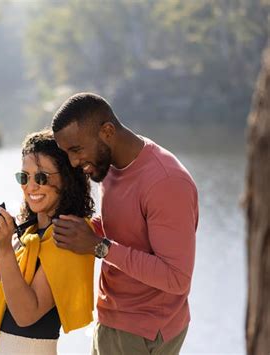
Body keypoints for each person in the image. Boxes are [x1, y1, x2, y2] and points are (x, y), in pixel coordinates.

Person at [51, 93, 199, 355]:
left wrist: (99, 247)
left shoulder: (166, 182)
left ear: (107, 131)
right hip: (115, 320)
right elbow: (128, 226)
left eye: (76, 150)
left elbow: (177, 278)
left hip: (142, 332)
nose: (73, 162)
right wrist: (88, 229)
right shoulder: (110, 164)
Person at [0, 129, 96, 354]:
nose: (30, 186)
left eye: (42, 177)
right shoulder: (31, 232)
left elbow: (26, 314)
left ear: (66, 179)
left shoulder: (68, 234)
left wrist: (4, 248)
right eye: (24, 177)